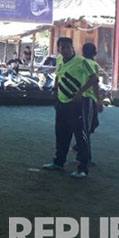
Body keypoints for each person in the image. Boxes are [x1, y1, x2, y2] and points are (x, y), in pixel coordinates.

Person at [42, 37, 98, 179]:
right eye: (62, 47)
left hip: (78, 104)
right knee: (61, 133)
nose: (65, 50)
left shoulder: (82, 61)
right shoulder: (59, 60)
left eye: (68, 47)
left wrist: (81, 92)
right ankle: (59, 162)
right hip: (62, 102)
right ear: (58, 49)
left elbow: (94, 78)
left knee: (81, 136)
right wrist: (55, 89)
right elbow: (58, 75)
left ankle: (82, 168)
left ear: (72, 48)